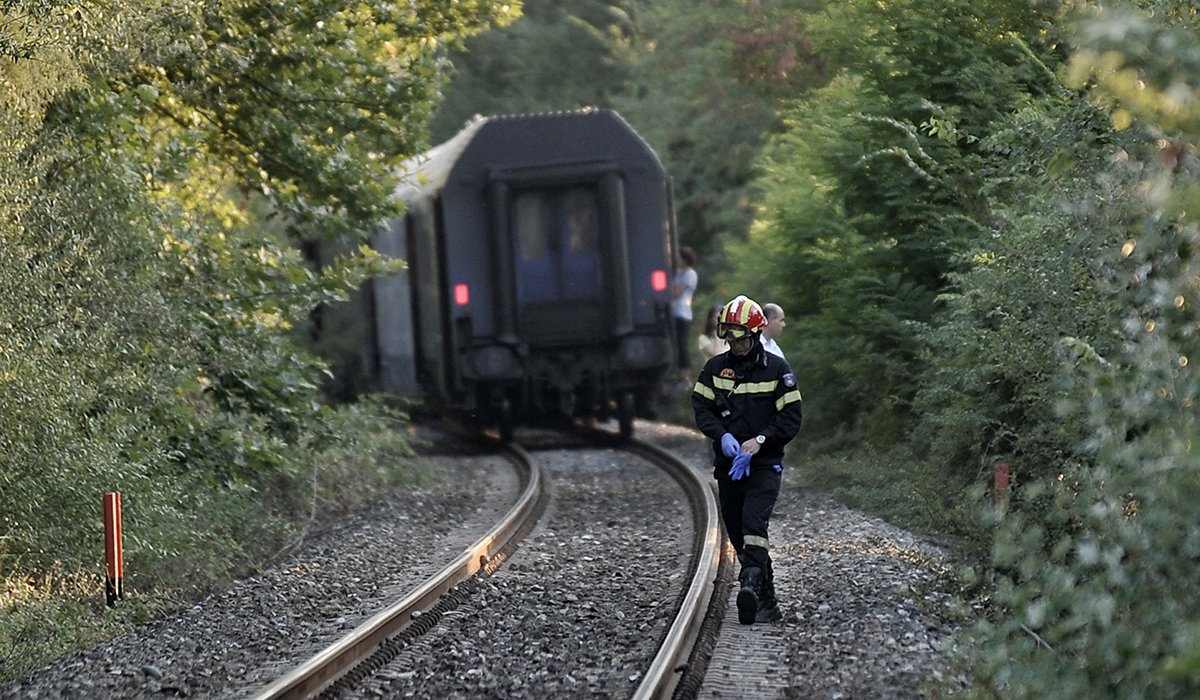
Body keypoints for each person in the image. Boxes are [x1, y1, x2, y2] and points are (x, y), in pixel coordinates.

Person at [692, 295, 803, 624]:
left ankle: (750, 585)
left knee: (755, 525)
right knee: (739, 532)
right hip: (729, 467)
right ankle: (767, 598)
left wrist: (761, 441)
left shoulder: (778, 371)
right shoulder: (715, 370)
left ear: (755, 334)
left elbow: (791, 417)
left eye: (741, 339)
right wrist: (721, 436)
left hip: (765, 464)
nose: (736, 345)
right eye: (731, 339)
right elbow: (702, 408)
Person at [671, 247, 698, 384]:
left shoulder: (690, 274)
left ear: (685, 260)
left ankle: (685, 374)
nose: (676, 260)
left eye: (679, 258)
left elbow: (676, 291)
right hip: (674, 312)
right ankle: (678, 373)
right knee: (676, 343)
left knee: (682, 343)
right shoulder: (679, 274)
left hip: (682, 312)